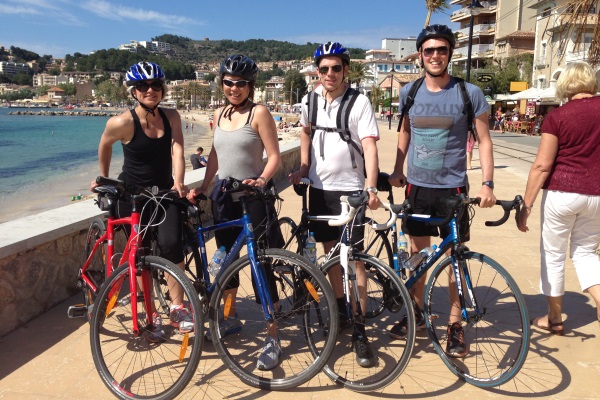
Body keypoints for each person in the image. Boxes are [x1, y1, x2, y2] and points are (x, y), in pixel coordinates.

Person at [388, 24, 496, 356]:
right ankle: (418, 314)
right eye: (429, 50)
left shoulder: (469, 93)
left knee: (454, 261)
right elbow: (405, 133)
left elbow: (485, 141)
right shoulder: (411, 92)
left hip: (454, 188)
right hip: (417, 188)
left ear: (450, 53)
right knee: (418, 258)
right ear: (420, 55)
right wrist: (396, 168)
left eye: (442, 50)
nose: (435, 55)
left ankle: (455, 326)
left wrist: (488, 183)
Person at [187, 54, 284, 370]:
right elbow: (215, 155)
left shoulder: (260, 113)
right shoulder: (219, 113)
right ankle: (229, 319)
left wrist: (262, 179)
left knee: (261, 267)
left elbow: (274, 157)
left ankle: (272, 336)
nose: (234, 88)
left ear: (250, 86)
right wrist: (203, 187)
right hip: (223, 198)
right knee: (227, 259)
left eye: (240, 83)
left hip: (253, 198)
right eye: (228, 82)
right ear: (222, 83)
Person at [289, 41, 381, 368]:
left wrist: (371, 184)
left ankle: (360, 328)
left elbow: (369, 146)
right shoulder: (309, 101)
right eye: (324, 69)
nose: (330, 74)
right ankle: (341, 311)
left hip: (350, 190)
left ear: (345, 70)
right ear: (318, 71)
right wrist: (302, 167)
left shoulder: (359, 102)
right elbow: (304, 134)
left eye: (336, 68)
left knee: (354, 261)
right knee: (331, 257)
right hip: (319, 190)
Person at [90, 61, 192, 341]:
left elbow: (178, 149)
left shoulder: (171, 116)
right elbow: (104, 145)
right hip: (132, 196)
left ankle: (177, 307)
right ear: (134, 91)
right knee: (140, 256)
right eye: (143, 86)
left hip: (163, 193)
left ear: (163, 89)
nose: (150, 90)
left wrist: (178, 181)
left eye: (156, 85)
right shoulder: (122, 122)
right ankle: (151, 314)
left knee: (173, 245)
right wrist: (104, 179)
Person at [517, 61, 600, 335]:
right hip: (597, 195)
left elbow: (542, 166)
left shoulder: (558, 116)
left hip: (562, 193)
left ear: (565, 85)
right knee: (586, 252)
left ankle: (554, 318)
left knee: (553, 254)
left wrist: (525, 206)